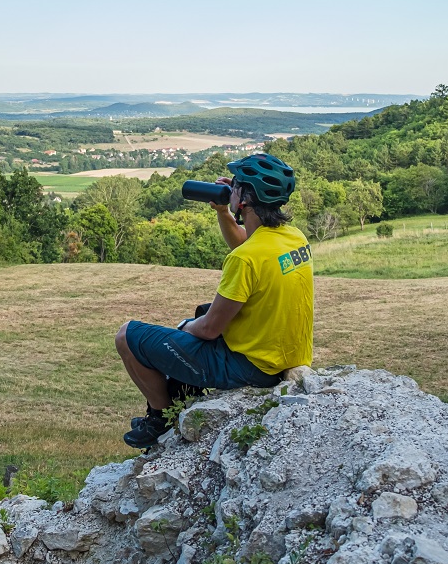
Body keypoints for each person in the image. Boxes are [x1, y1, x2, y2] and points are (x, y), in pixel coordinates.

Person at [114, 153, 315, 448]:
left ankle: (161, 416)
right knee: (203, 311)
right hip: (284, 355)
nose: (229, 187)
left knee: (127, 336)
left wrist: (185, 328)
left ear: (245, 198)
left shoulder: (244, 260)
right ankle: (180, 398)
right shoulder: (293, 237)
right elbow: (250, 246)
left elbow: (209, 330)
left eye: (235, 184)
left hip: (253, 367)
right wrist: (224, 211)